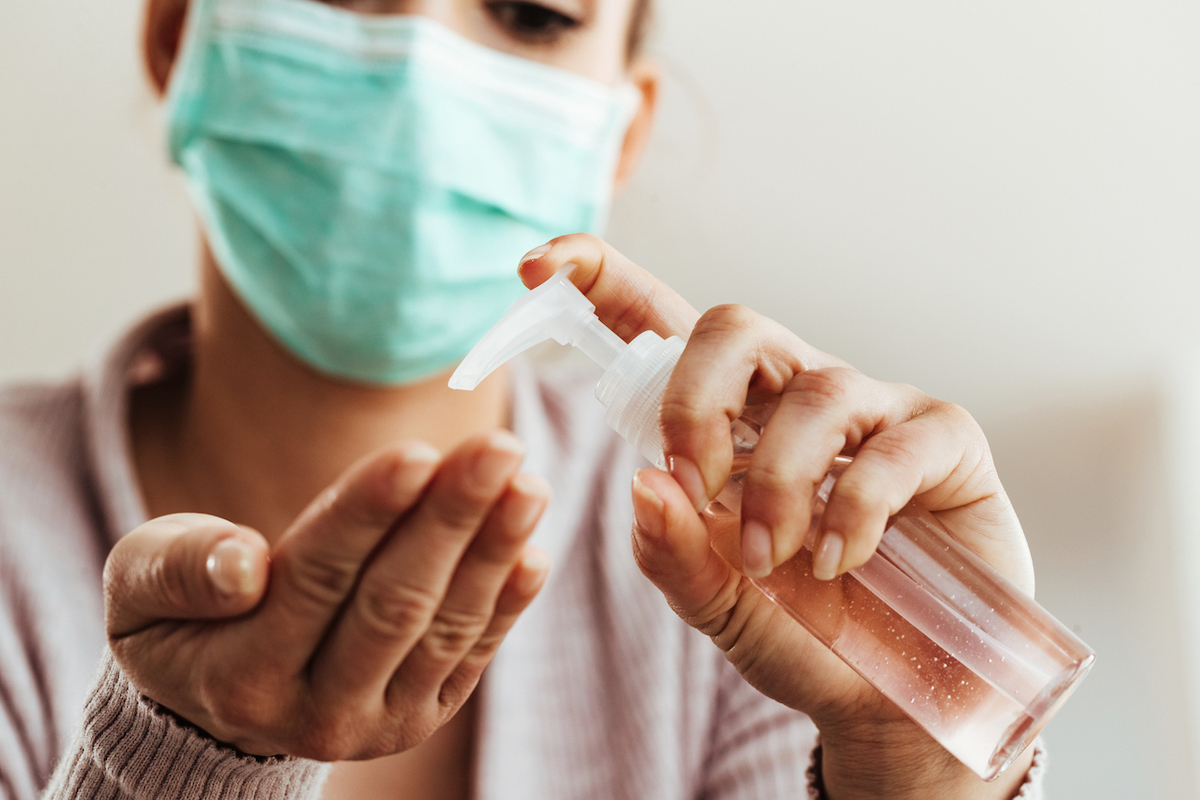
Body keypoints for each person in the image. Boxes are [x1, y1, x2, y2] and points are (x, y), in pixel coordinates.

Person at [0, 0, 1047, 797]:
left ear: (620, 134)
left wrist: (917, 755)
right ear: (178, 36)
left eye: (531, 12)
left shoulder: (746, 562)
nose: (420, 68)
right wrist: (177, 761)